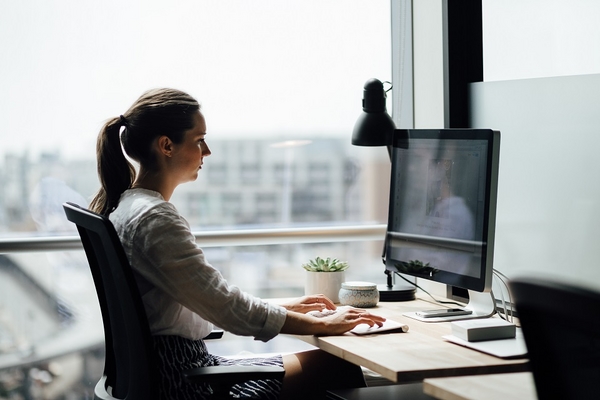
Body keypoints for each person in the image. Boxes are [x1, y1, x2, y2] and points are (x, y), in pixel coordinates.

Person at [89, 88, 385, 399]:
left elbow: (205, 302)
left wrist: (286, 307)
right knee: (338, 367)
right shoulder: (154, 219)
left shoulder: (127, 207)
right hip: (183, 381)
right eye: (199, 140)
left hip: (166, 371)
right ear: (166, 145)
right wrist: (323, 326)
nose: (208, 151)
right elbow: (226, 309)